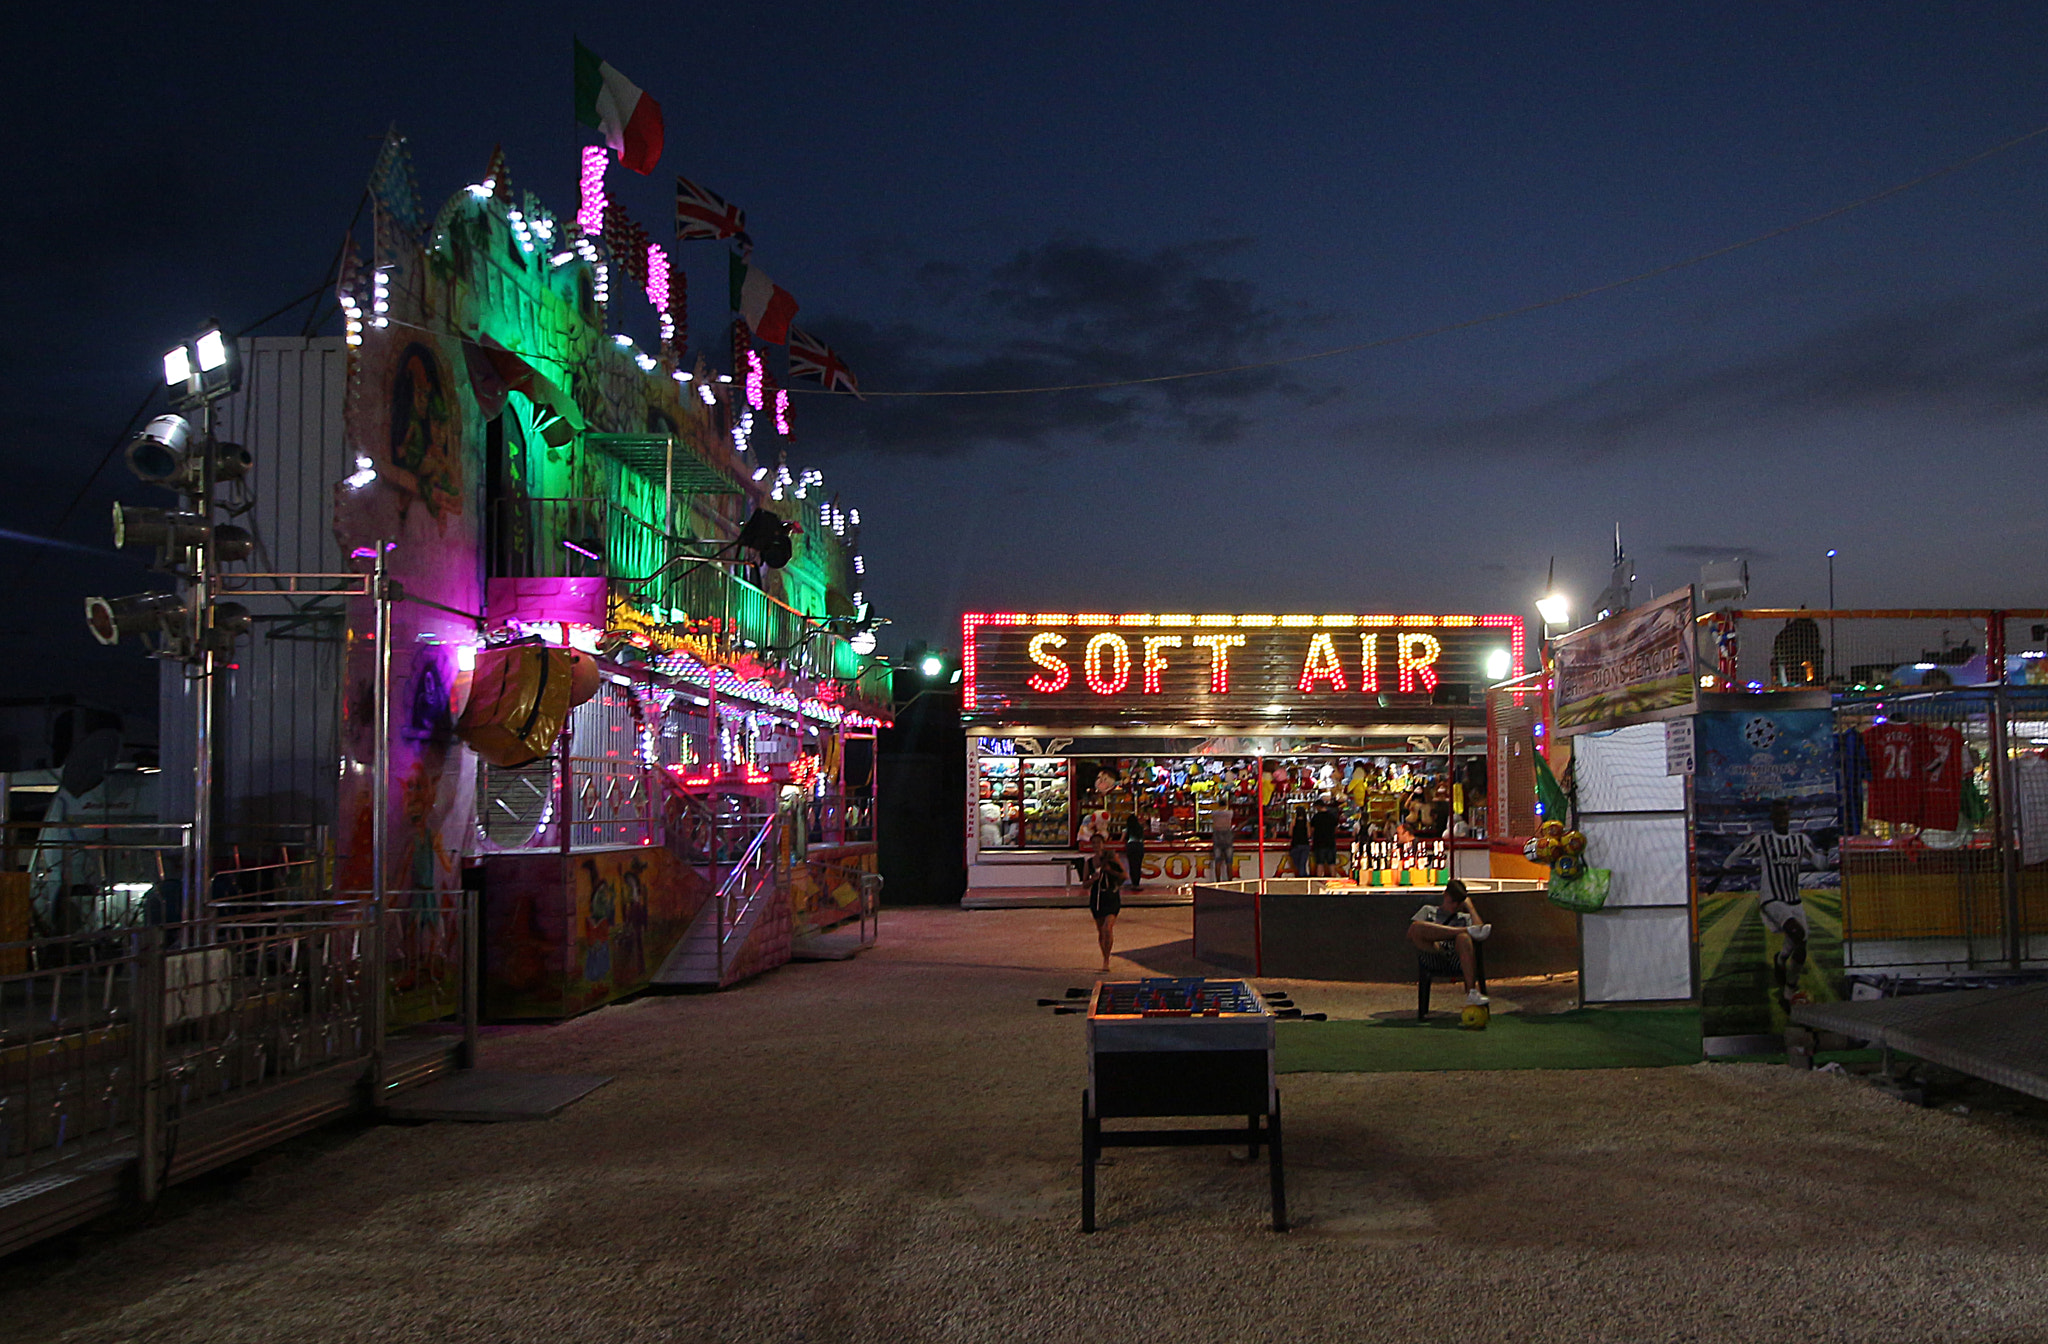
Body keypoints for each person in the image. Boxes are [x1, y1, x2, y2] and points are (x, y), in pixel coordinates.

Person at [1727, 800, 1827, 1011]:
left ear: (1789, 817)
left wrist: (1824, 849)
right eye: (1778, 814)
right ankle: (1788, 994)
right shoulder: (1763, 840)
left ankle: (1781, 961)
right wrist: (1720, 874)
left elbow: (1819, 864)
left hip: (1794, 900)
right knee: (1798, 934)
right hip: (1771, 899)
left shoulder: (1800, 840)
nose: (1783, 818)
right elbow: (1739, 851)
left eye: (1785, 814)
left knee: (1801, 948)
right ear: (1772, 817)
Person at [1406, 878, 1493, 1006]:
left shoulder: (1463, 917)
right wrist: (1463, 930)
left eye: (1458, 904)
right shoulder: (1429, 911)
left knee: (1464, 938)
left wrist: (1470, 907)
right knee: (1417, 927)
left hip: (1457, 956)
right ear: (1445, 895)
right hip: (1433, 952)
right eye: (1452, 902)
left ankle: (1471, 992)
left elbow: (1481, 932)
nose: (1454, 907)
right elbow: (1411, 933)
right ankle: (1464, 931)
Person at [1085, 833, 1126, 972]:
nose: (1096, 846)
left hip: (1111, 895)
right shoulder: (1089, 863)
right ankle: (1105, 955)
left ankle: (1106, 961)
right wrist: (1092, 879)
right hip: (1097, 898)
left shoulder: (1112, 858)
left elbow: (1124, 875)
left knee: (1107, 928)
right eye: (1094, 843)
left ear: (1103, 844)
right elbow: (1084, 884)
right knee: (1101, 931)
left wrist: (1110, 870)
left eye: (1098, 843)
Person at [1309, 794, 1342, 877]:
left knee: (1320, 863)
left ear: (1318, 807)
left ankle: (1319, 881)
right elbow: (1336, 829)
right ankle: (1334, 880)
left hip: (1319, 843)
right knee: (1332, 863)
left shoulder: (1316, 817)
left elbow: (1312, 830)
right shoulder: (1331, 816)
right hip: (1330, 842)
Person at [1208, 794, 1236, 881]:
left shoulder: (1214, 813)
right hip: (1228, 839)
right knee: (1229, 863)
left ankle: (1218, 881)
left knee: (1218, 862)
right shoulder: (1230, 813)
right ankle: (1230, 881)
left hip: (1217, 839)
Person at [1122, 809, 1146, 892]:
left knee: (1132, 866)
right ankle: (1137, 884)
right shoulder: (1140, 828)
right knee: (1138, 866)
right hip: (1139, 846)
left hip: (1131, 846)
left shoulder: (1127, 829)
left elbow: (1122, 840)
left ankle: (1133, 884)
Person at [1288, 806, 1311, 879]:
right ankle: (1303, 876)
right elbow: (1309, 834)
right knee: (1303, 863)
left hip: (1295, 844)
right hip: (1305, 844)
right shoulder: (1306, 822)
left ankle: (1302, 876)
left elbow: (1290, 833)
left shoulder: (1293, 822)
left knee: (1297, 863)